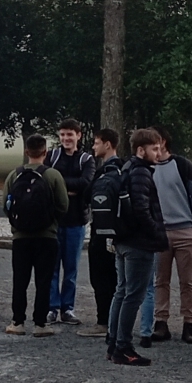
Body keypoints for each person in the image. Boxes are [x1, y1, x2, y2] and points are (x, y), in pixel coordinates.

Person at [106, 129, 167, 366]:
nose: (158, 153)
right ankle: (124, 347)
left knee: (122, 291)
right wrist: (155, 232)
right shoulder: (141, 172)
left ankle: (114, 343)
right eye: (154, 148)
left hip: (123, 240)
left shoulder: (127, 168)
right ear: (141, 150)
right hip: (138, 243)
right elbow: (142, 209)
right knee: (134, 295)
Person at [140, 129, 192, 343]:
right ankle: (161, 322)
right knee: (160, 280)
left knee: (188, 280)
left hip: (185, 229)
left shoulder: (183, 165)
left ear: (164, 142)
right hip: (160, 231)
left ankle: (189, 323)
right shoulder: (147, 168)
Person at [5, 135, 69, 337]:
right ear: (45, 152)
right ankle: (41, 324)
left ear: (26, 152)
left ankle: (18, 322)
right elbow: (63, 205)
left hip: (21, 237)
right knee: (44, 280)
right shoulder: (53, 175)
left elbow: (6, 206)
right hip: (47, 236)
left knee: (20, 280)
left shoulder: (13, 175)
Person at [44, 119, 96, 325]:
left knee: (71, 268)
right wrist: (70, 189)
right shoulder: (52, 157)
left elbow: (86, 183)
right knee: (52, 267)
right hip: (54, 221)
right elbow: (46, 179)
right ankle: (52, 307)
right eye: (63, 134)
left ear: (78, 136)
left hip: (76, 221)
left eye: (70, 134)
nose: (66, 138)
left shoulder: (86, 159)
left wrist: (60, 185)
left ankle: (68, 308)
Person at [77, 129, 125, 339]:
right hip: (117, 231)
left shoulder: (106, 171)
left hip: (103, 231)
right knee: (115, 278)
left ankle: (104, 321)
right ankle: (115, 320)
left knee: (102, 278)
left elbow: (86, 194)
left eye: (97, 143)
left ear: (108, 145)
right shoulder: (124, 169)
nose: (94, 147)